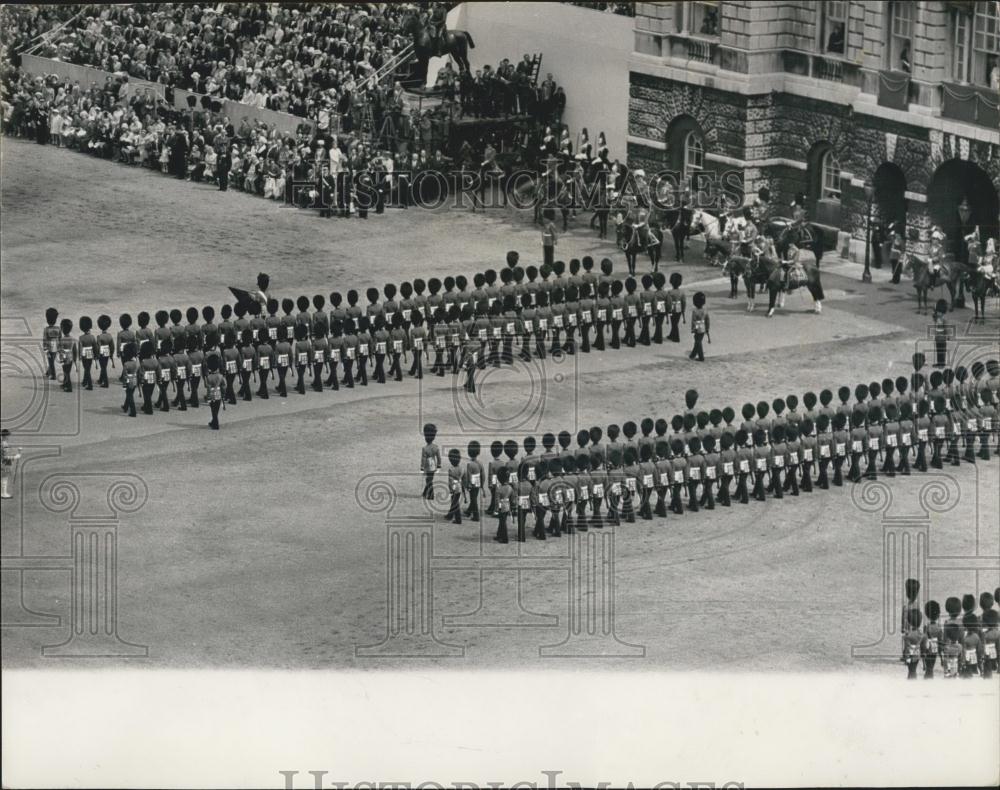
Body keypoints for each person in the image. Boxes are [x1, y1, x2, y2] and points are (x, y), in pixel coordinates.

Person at [204, 355, 225, 431]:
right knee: (216, 409)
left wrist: (208, 397)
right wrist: (223, 393)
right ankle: (213, 422)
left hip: (212, 394)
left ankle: (215, 424)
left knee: (213, 410)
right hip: (219, 394)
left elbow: (208, 388)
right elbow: (224, 386)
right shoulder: (220, 376)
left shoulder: (209, 377)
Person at [421, 423, 441, 500]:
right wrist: (439, 466)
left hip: (427, 465)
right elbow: (439, 458)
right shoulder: (436, 447)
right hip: (433, 465)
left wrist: (422, 468)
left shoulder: (425, 448)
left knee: (428, 480)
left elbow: (423, 459)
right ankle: (425, 492)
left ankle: (431, 494)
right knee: (430, 479)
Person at [689, 292, 710, 362]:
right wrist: (707, 328)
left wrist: (693, 329)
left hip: (698, 327)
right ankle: (693, 354)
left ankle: (701, 357)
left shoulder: (695, 311)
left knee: (698, 341)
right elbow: (707, 320)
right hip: (703, 326)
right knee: (698, 340)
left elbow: (694, 321)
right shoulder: (705, 310)